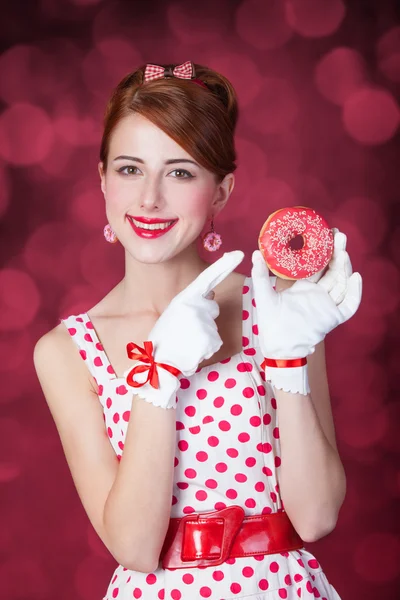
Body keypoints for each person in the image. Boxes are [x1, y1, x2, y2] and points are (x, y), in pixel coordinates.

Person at [34, 61, 362, 600]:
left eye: (181, 172)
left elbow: (317, 516)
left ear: (222, 191)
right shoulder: (67, 351)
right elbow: (135, 548)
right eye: (130, 169)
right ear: (101, 178)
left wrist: (288, 360)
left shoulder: (280, 311)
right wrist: (158, 379)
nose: (150, 199)